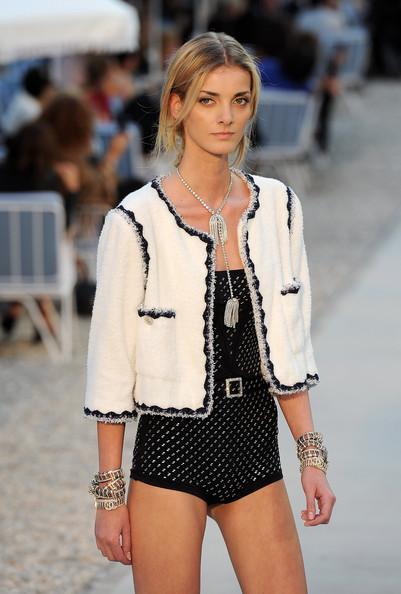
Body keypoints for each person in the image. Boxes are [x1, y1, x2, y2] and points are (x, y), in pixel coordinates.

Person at [83, 31, 336, 593]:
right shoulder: (135, 222)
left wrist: (310, 457)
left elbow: (289, 344)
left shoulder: (277, 208)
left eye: (239, 100)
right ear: (176, 105)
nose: (226, 117)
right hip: (170, 448)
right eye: (207, 99)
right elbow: (110, 366)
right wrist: (109, 495)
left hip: (253, 443)